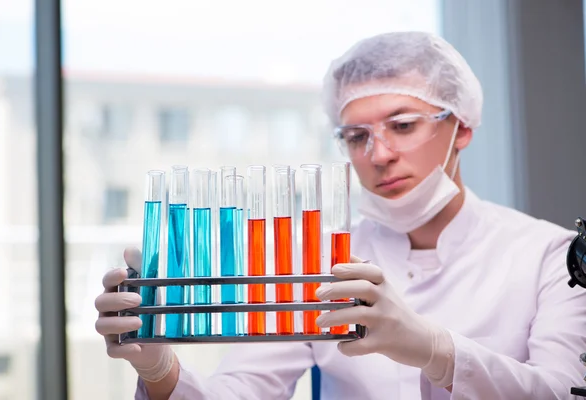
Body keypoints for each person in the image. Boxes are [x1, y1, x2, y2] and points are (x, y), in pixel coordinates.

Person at [94, 31, 586, 399]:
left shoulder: (549, 256)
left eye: (403, 125)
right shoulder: (318, 257)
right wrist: (161, 372)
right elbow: (241, 391)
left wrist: (434, 349)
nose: (379, 154)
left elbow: (563, 392)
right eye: (356, 136)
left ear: (462, 127)